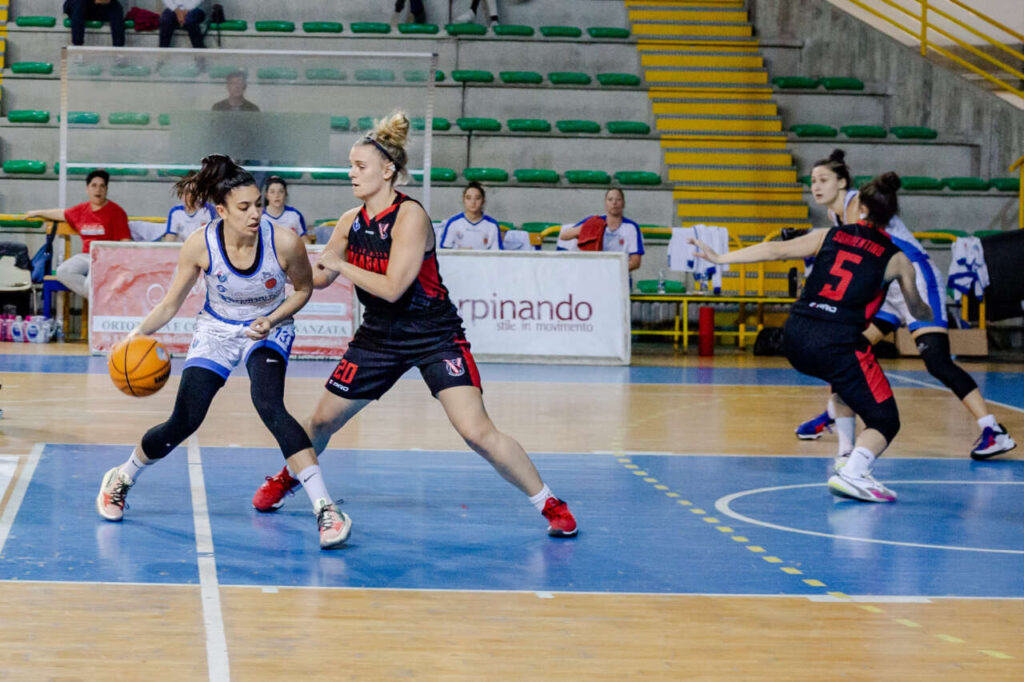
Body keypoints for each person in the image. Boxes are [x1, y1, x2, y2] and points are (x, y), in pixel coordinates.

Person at [251, 111, 578, 537]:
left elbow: (392, 288)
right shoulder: (351, 221)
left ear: (387, 172)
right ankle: (289, 477)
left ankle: (550, 503)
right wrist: (278, 267)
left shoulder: (411, 217)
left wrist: (340, 265)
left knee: (476, 431)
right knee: (319, 421)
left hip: (433, 334)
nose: (351, 173)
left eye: (360, 166)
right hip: (379, 337)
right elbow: (317, 277)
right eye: (350, 165)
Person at [94, 155, 351, 549]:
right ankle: (122, 477)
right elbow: (169, 303)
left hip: (269, 326)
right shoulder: (201, 243)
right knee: (185, 419)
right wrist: (134, 334)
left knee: (269, 404)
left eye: (259, 205)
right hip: (216, 328)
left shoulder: (283, 240)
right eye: (244, 207)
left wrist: (274, 317)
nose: (254, 213)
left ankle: (325, 508)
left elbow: (303, 289)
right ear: (222, 210)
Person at [693, 173, 933, 503]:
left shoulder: (829, 234)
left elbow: (776, 250)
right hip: (836, 344)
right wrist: (927, 308)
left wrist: (721, 259)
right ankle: (853, 471)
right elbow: (917, 309)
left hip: (795, 335)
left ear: (860, 209)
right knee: (885, 419)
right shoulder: (898, 258)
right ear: (892, 216)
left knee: (848, 384)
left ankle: (846, 451)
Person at [795, 150, 1016, 461]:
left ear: (842, 182)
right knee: (848, 352)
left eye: (823, 180)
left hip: (916, 280)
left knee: (936, 361)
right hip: (888, 287)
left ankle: (994, 430)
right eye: (812, 181)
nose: (815, 186)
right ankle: (836, 413)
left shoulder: (858, 204)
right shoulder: (836, 216)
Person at [25, 170, 130, 299]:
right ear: (87, 189)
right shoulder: (81, 210)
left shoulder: (116, 212)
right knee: (62, 271)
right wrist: (37, 212)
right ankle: (98, 298)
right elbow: (61, 213)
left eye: (102, 186)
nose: (98, 190)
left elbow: (125, 241)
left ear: (106, 189)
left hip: (106, 258)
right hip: (86, 256)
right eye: (94, 185)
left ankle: (96, 299)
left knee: (89, 284)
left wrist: (122, 264)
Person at [558, 188, 644, 272]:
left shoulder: (632, 227)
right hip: (594, 274)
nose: (614, 203)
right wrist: (587, 229)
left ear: (623, 203)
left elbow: (635, 262)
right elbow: (564, 235)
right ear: (605, 203)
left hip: (620, 275)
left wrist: (611, 271)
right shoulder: (594, 220)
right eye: (610, 199)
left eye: (618, 199)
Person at [440, 182, 503, 250]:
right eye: (468, 198)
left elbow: (497, 254)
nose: (473, 202)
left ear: (483, 201)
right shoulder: (453, 223)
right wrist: (460, 251)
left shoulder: (492, 225)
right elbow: (444, 250)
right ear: (463, 200)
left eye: (477, 198)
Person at [163, 171, 215, 242]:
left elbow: (213, 237)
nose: (188, 196)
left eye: (192, 192)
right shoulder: (175, 212)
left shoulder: (208, 210)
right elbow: (169, 239)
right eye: (185, 192)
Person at [262, 177, 313, 244]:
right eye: (272, 192)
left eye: (281, 192)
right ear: (266, 195)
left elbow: (304, 239)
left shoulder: (295, 215)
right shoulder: (259, 216)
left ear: (286, 194)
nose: (277, 196)